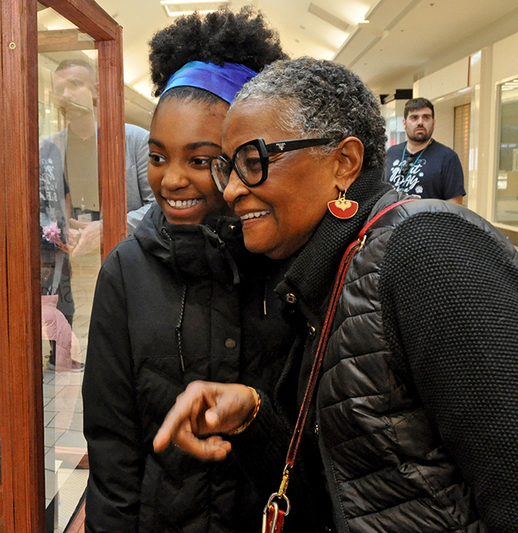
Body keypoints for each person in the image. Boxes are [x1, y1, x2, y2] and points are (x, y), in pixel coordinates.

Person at [154, 58, 518, 533]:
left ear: (343, 162)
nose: (233, 190)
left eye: (253, 161)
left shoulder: (424, 246)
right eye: (228, 167)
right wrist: (253, 415)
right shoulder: (330, 271)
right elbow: (345, 493)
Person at [82, 8, 287, 532]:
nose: (170, 179)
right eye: (156, 156)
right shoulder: (125, 273)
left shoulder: (284, 265)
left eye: (199, 160)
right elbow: (111, 445)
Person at [44, 58, 154, 257]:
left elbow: (157, 206)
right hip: (68, 262)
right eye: (60, 90)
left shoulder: (136, 140)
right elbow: (39, 208)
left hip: (123, 257)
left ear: (96, 89)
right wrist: (56, 230)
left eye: (75, 85)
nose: (66, 95)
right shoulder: (49, 148)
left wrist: (108, 228)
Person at [384, 97, 465, 203]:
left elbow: (455, 207)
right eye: (414, 117)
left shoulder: (448, 158)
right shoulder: (391, 153)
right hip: (392, 219)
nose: (420, 122)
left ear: (433, 123)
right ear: (404, 123)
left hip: (428, 219)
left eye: (426, 117)